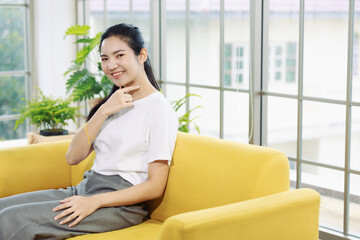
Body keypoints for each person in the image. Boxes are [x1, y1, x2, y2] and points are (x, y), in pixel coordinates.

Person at [0, 23, 178, 240]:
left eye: (119, 55)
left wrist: (95, 201)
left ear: (141, 55)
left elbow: (155, 186)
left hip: (119, 206)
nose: (112, 65)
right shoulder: (112, 103)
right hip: (84, 189)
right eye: (104, 59)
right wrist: (103, 110)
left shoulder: (159, 110)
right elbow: (72, 157)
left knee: (9, 219)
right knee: (2, 208)